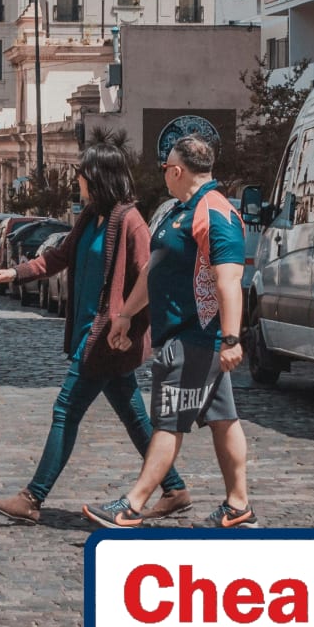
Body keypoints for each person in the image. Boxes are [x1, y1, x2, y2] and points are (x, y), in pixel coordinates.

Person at [0, 143, 190, 526]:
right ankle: (174, 489)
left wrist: (131, 328)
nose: (77, 178)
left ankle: (32, 497)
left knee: (65, 410)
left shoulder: (130, 222)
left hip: (106, 340)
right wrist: (16, 272)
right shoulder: (91, 217)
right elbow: (59, 256)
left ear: (99, 176)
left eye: (82, 172)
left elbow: (150, 281)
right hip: (88, 333)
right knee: (134, 416)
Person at [85, 134, 255, 530]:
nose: (163, 174)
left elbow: (230, 279)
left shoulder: (215, 212)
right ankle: (238, 505)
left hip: (194, 339)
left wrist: (231, 338)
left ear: (177, 170)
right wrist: (126, 315)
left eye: (165, 168)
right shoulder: (178, 211)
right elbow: (154, 269)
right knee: (224, 420)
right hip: (187, 338)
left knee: (168, 423)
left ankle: (132, 505)